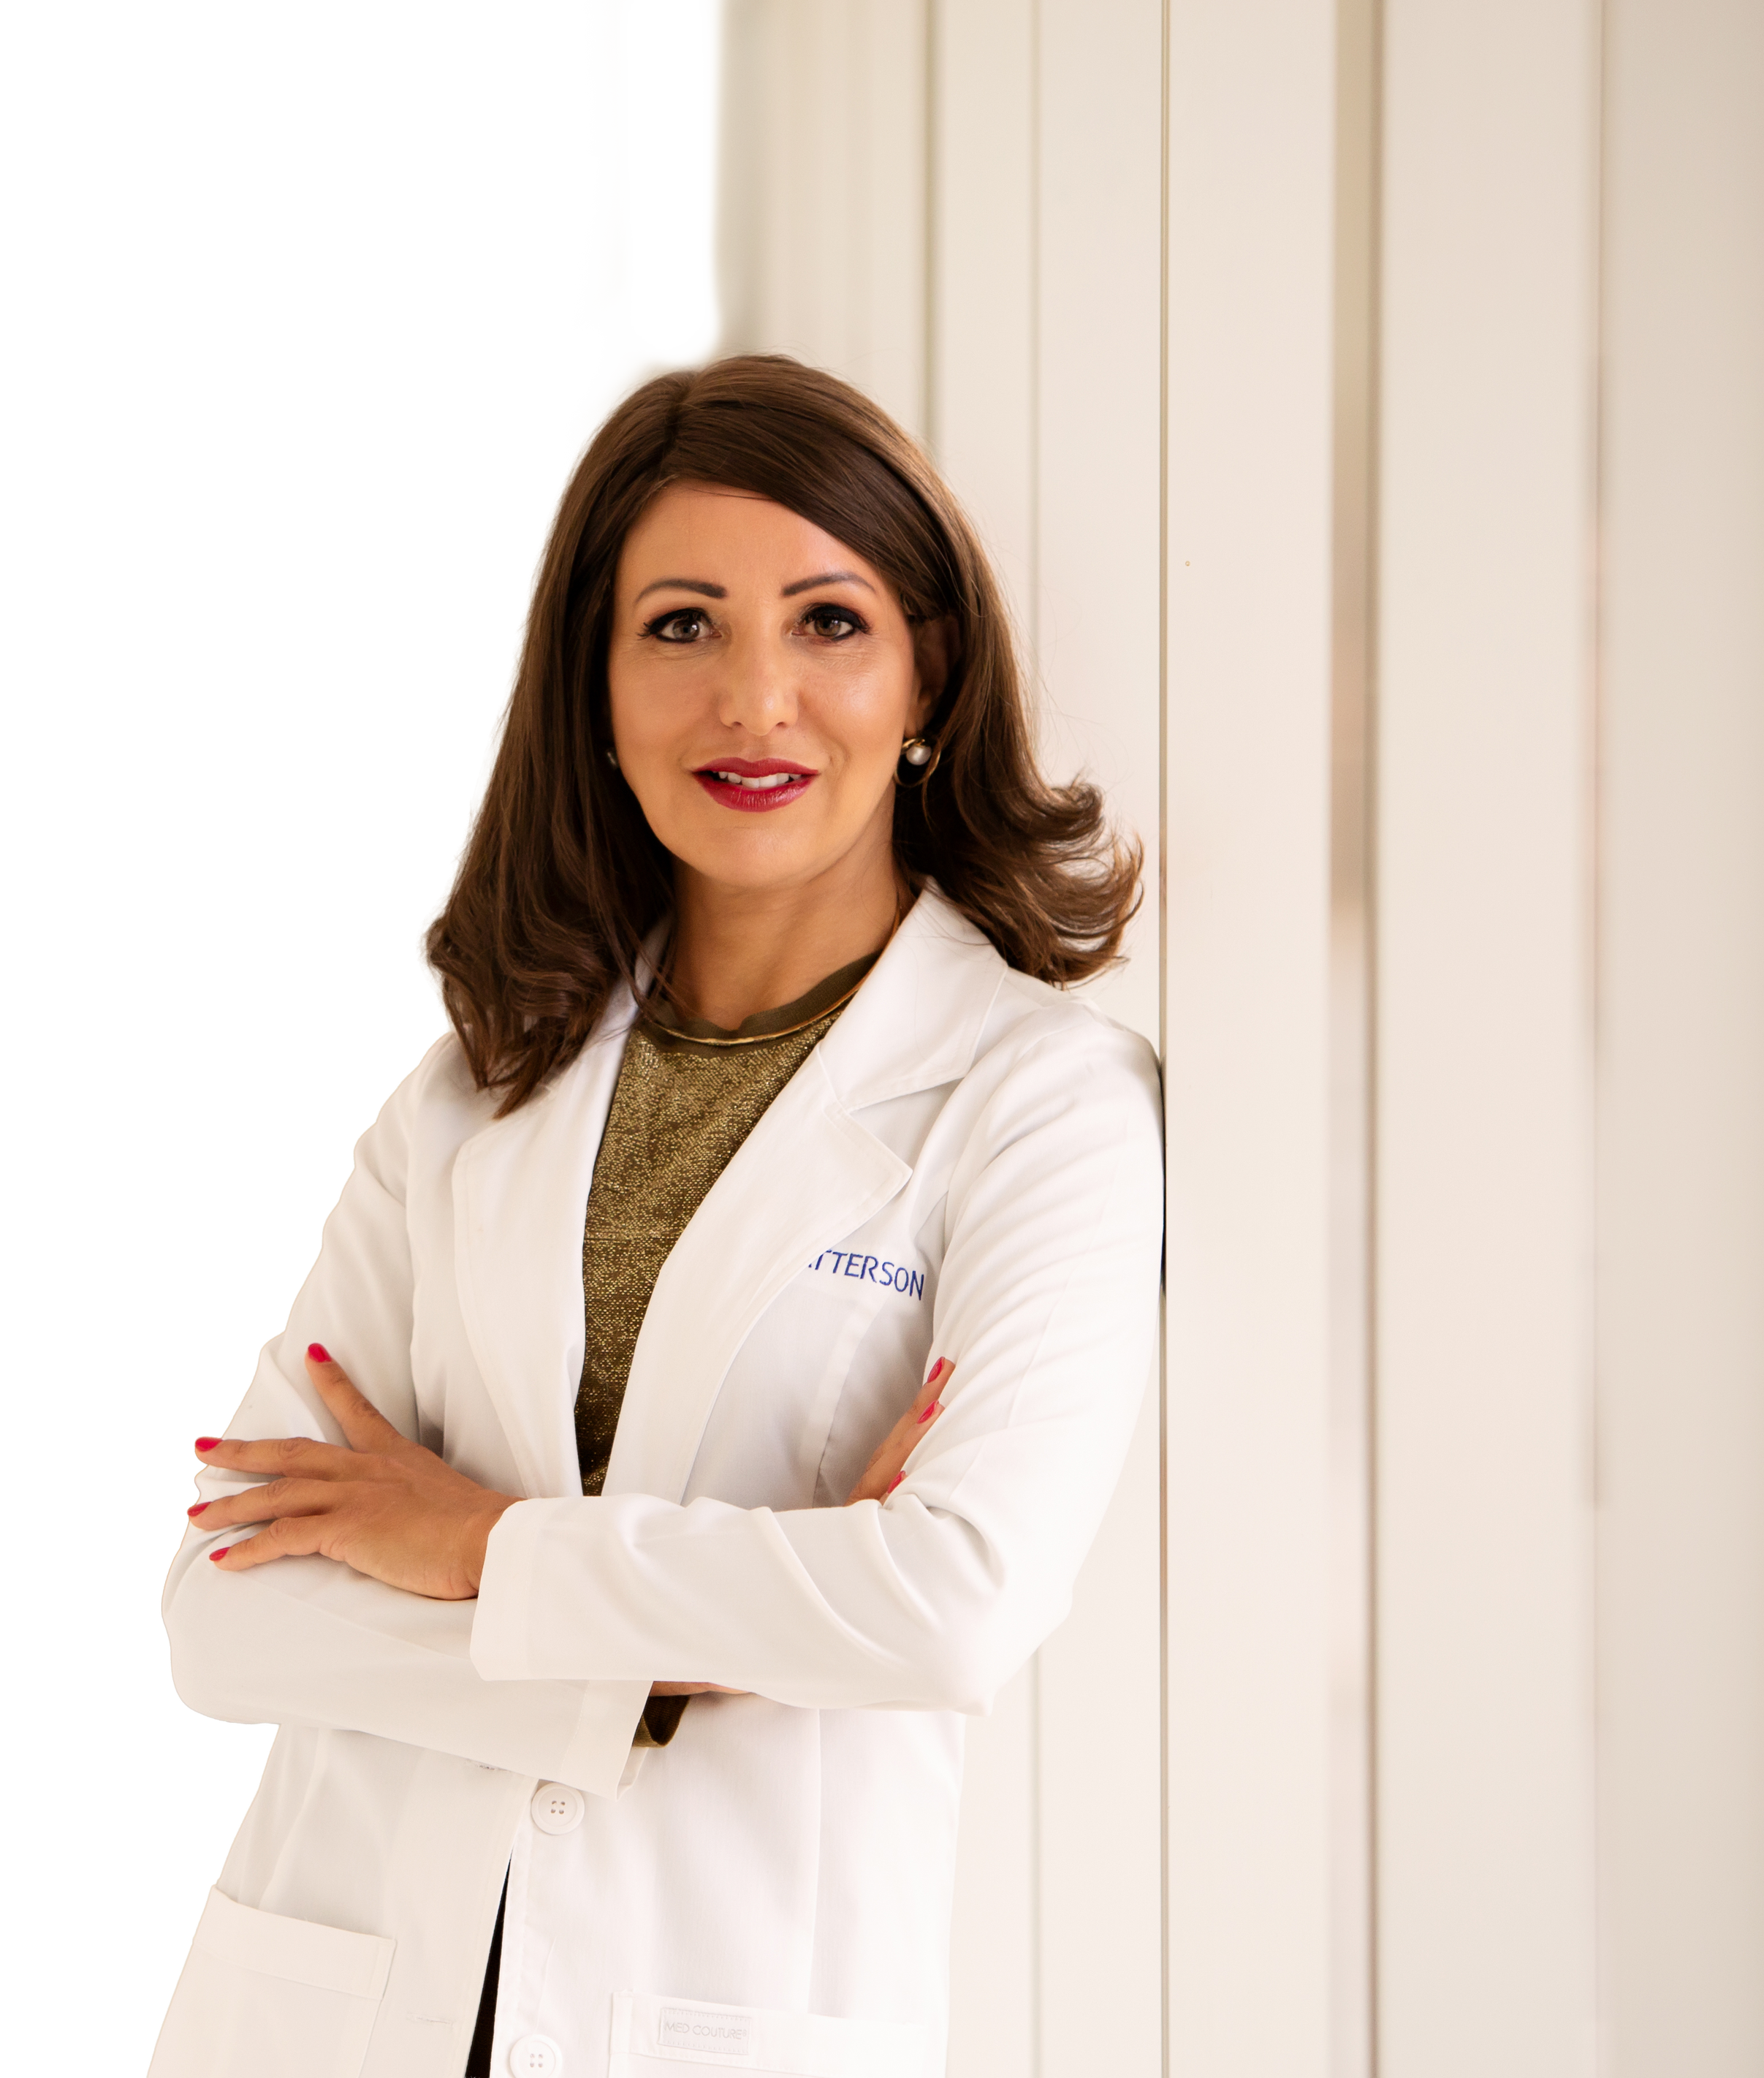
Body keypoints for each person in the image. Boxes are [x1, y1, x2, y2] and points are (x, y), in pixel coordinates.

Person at [154, 354, 1163, 2078]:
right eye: (680, 626)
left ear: (926, 668)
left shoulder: (1034, 1097)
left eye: (827, 622)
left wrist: (471, 1542)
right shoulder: (478, 1088)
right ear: (598, 692)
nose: (752, 699)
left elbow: (947, 1600)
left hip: (724, 2011)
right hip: (329, 2008)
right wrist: (685, 1661)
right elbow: (226, 1614)